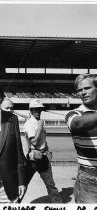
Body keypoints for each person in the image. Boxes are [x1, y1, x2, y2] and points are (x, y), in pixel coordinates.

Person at [65, 73, 97, 203]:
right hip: (90, 179)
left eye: (87, 88)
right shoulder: (73, 114)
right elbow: (79, 124)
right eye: (79, 90)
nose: (83, 93)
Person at [23, 99, 62, 203]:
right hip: (33, 159)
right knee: (23, 185)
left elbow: (42, 141)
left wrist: (47, 150)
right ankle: (12, 205)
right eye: (35, 109)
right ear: (31, 111)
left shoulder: (39, 122)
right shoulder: (29, 124)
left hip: (43, 157)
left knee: (51, 186)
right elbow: (34, 142)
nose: (38, 111)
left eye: (40, 109)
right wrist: (40, 128)